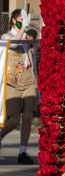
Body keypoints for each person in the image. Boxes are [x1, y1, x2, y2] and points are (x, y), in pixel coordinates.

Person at [1, 9, 37, 165]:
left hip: (28, 80)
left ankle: (22, 152)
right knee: (14, 121)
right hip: (13, 83)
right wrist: (24, 28)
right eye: (21, 19)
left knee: (28, 117)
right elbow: (14, 43)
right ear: (14, 21)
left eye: (25, 18)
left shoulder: (26, 38)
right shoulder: (6, 36)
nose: (24, 21)